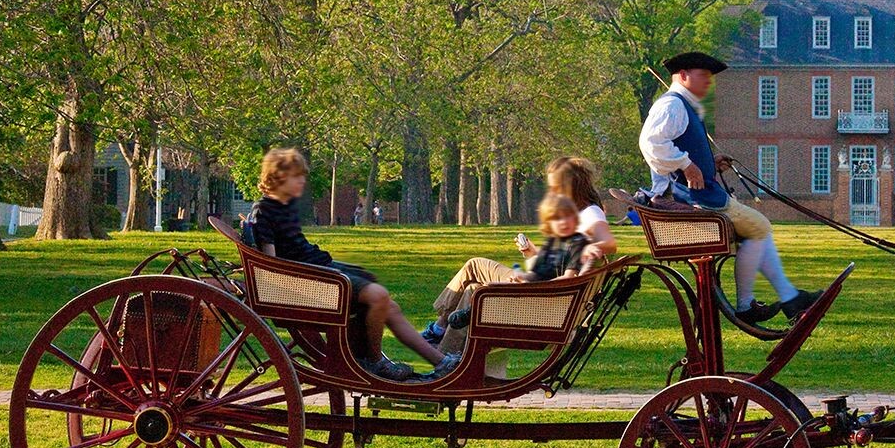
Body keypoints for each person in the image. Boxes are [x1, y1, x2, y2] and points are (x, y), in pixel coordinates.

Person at [639, 51, 820, 325]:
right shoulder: (671, 105)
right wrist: (687, 165)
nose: (709, 83)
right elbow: (651, 143)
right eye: (703, 76)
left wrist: (708, 163)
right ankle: (751, 304)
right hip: (694, 199)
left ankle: (788, 298)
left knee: (758, 230)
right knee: (759, 227)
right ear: (684, 75)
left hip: (702, 193)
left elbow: (677, 148)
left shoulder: (684, 106)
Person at [246, 148, 452, 382]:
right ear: (278, 177)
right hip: (313, 282)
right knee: (378, 296)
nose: (303, 180)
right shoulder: (264, 210)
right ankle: (374, 363)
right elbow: (272, 266)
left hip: (324, 271)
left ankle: (442, 363)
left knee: (388, 305)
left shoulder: (283, 207)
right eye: (297, 176)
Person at [425, 156, 618, 342]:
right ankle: (442, 335)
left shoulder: (590, 215)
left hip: (542, 295)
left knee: (475, 282)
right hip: (541, 285)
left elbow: (610, 244)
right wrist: (531, 253)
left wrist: (593, 247)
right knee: (474, 276)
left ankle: (442, 344)